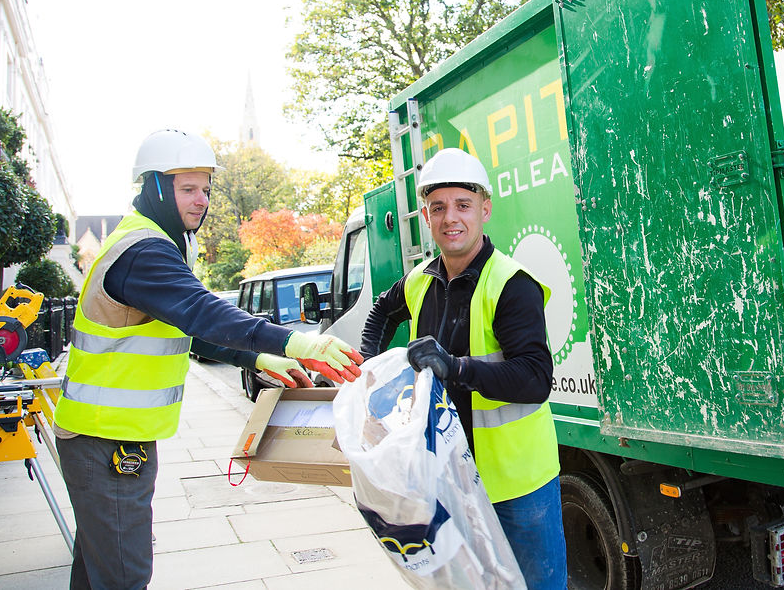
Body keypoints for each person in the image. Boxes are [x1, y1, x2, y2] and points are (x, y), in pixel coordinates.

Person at [54, 128, 364, 590]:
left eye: (205, 189)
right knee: (123, 575)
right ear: (155, 186)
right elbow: (202, 311)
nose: (201, 200)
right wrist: (298, 344)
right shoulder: (143, 252)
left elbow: (183, 328)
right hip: (107, 441)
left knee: (101, 569)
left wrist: (255, 357)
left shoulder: (157, 241)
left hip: (111, 436)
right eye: (187, 189)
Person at [360, 147, 565, 590]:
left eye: (463, 205)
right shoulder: (420, 278)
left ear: (485, 209)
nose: (450, 217)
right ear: (426, 216)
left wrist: (454, 367)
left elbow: (534, 379)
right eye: (438, 208)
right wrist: (366, 368)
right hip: (447, 478)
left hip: (517, 485)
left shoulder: (511, 284)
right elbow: (380, 312)